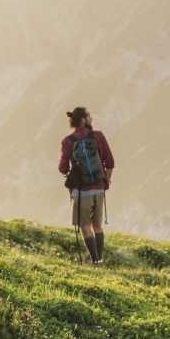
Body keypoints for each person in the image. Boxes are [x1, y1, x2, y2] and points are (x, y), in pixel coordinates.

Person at [58, 107, 115, 265]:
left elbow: (63, 168)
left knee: (84, 226)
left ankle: (94, 261)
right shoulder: (98, 136)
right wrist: (105, 182)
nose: (91, 119)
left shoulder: (67, 142)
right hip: (98, 188)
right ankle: (100, 260)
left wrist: (72, 175)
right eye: (89, 116)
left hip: (80, 192)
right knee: (97, 225)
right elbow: (110, 162)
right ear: (82, 119)